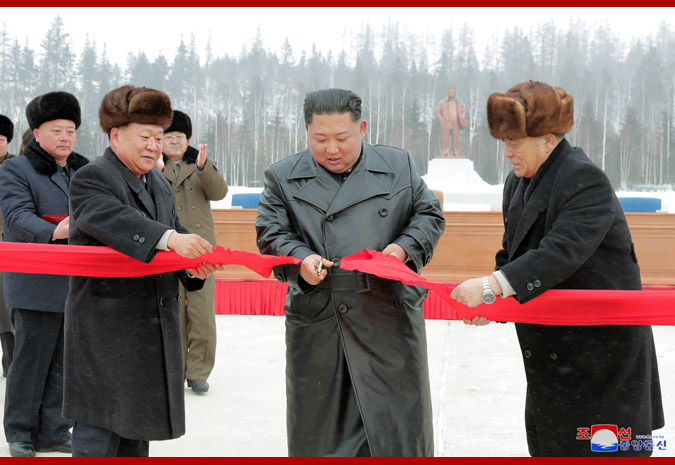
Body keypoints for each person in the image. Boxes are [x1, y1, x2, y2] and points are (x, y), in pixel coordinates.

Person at [451, 80, 664, 457]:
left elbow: (561, 252)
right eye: (504, 142)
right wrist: (493, 303)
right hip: (554, 362)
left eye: (515, 142)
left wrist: (492, 286)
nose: (507, 152)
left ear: (547, 139)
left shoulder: (584, 178)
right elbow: (513, 253)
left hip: (603, 362)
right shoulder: (518, 182)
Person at [256, 88, 445, 457]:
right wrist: (300, 259)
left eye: (342, 138)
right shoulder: (282, 176)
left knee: (395, 434)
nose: (332, 149)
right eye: (320, 139)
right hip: (321, 314)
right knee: (323, 434)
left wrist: (402, 249)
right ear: (306, 131)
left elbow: (428, 214)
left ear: (362, 128)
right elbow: (271, 233)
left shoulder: (398, 165)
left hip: (387, 312)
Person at [63, 85, 220, 457]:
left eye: (158, 137)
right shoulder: (92, 177)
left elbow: (177, 231)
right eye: (145, 136)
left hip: (150, 330)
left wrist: (194, 266)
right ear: (116, 135)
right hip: (106, 330)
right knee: (100, 432)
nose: (153, 146)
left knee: (135, 434)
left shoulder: (157, 183)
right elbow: (112, 219)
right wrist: (170, 239)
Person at [0, 92, 88, 457]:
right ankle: (20, 432)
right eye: (56, 130)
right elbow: (16, 217)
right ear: (36, 132)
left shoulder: (82, 172)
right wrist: (57, 230)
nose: (65, 137)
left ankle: (54, 430)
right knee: (30, 361)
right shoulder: (15, 169)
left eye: (71, 130)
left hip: (76, 283)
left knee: (64, 363)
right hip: (34, 281)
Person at [159, 110, 228, 393]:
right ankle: (174, 370)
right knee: (172, 310)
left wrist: (203, 166)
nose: (175, 141)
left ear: (188, 140)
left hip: (201, 250)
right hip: (166, 248)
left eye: (180, 136)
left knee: (202, 314)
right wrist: (155, 170)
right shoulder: (152, 166)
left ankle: (198, 372)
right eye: (169, 137)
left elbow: (220, 192)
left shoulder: (200, 164)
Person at [0, 114, 16, 378]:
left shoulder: (16, 168)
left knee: (7, 306)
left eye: (1, 139)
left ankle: (11, 363)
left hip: (9, 243)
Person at [435, 86, 469, 157]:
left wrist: (462, 117)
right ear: (448, 92)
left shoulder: (459, 102)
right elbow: (438, 112)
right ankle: (445, 152)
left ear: (455, 93)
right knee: (445, 138)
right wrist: (441, 120)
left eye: (452, 92)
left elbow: (464, 110)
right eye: (450, 92)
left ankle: (456, 152)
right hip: (446, 123)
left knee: (455, 138)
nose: (451, 93)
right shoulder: (443, 102)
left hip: (455, 123)